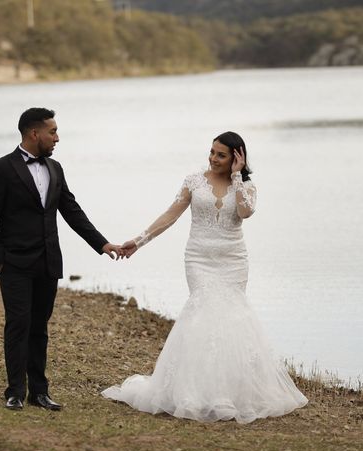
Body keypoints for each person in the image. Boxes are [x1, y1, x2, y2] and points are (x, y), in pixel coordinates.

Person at [102, 132, 308, 423]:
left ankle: (228, 393)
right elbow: (170, 215)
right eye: (212, 152)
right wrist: (138, 241)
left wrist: (237, 177)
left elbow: (246, 213)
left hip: (233, 261)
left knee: (231, 320)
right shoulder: (193, 180)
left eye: (221, 155)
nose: (213, 158)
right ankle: (192, 393)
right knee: (202, 316)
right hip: (198, 259)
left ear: (237, 157)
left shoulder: (247, 187)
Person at [0, 107, 123, 411]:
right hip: (14, 264)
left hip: (48, 262)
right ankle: (15, 391)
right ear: (34, 134)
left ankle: (39, 392)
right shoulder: (1, 169)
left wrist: (102, 243)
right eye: (52, 131)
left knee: (39, 327)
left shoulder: (55, 168)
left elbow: (71, 211)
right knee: (18, 324)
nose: (57, 137)